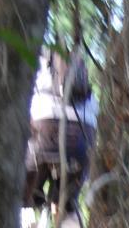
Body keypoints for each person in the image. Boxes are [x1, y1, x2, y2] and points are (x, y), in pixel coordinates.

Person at [24, 48, 98, 216]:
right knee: (67, 206)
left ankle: (24, 221)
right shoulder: (86, 90)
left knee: (22, 198)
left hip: (44, 132)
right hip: (83, 138)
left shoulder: (35, 70)